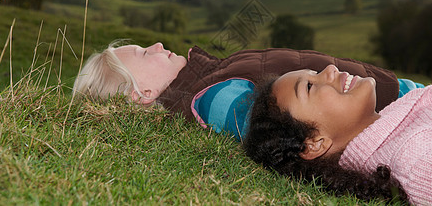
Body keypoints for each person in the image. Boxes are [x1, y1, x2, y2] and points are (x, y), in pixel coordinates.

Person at [73, 41, 406, 141]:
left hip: (378, 89)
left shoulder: (207, 75)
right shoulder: (207, 98)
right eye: (146, 53)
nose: (158, 44)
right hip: (392, 105)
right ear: (142, 93)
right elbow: (266, 127)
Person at [243, 64, 432, 204]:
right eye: (309, 86)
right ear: (315, 143)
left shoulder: (400, 118)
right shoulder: (415, 162)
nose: (330, 68)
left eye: (315, 71)